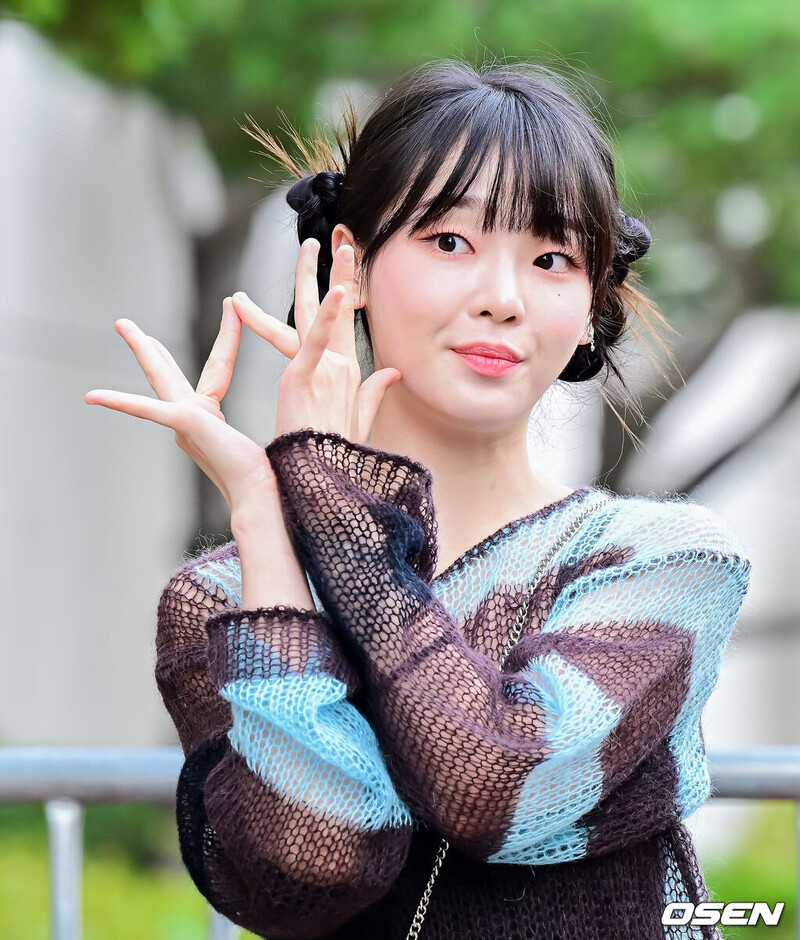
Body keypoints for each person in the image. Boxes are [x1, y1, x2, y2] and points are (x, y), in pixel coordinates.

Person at [85, 60, 752, 939]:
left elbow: (497, 782)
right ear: (351, 263)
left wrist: (332, 504)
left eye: (552, 258)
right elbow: (314, 864)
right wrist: (265, 515)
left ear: (590, 304)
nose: (503, 300)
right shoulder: (224, 599)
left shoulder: (661, 563)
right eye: (450, 243)